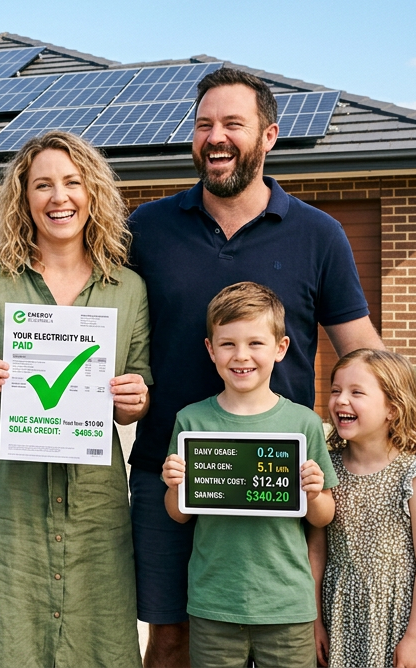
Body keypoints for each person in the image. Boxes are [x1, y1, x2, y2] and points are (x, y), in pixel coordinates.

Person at [0, 67, 416, 667]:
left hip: (273, 473)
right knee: (170, 637)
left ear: (269, 136)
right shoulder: (148, 229)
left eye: (233, 124)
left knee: (279, 633)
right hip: (171, 470)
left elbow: (364, 350)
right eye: (204, 123)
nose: (216, 137)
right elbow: (70, 261)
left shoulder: (320, 235)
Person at [0, 130, 154, 667]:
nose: (60, 197)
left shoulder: (127, 288)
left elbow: (136, 393)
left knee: (92, 630)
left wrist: (133, 398)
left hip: (92, 498)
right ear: (22, 198)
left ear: (93, 193)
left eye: (73, 183)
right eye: (43, 185)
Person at [161, 282, 336, 668]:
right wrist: (175, 484)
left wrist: (315, 492)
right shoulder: (192, 422)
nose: (241, 356)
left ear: (281, 348)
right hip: (214, 602)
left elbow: (323, 517)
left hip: (287, 604)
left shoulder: (303, 424)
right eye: (228, 344)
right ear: (210, 349)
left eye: (255, 343)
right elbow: (179, 513)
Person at [309, 349, 416, 668]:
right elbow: (316, 552)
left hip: (398, 618)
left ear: (392, 409)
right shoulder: (325, 470)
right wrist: (315, 620)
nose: (341, 400)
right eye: (335, 391)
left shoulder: (415, 475)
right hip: (338, 613)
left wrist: (415, 638)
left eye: (356, 392)